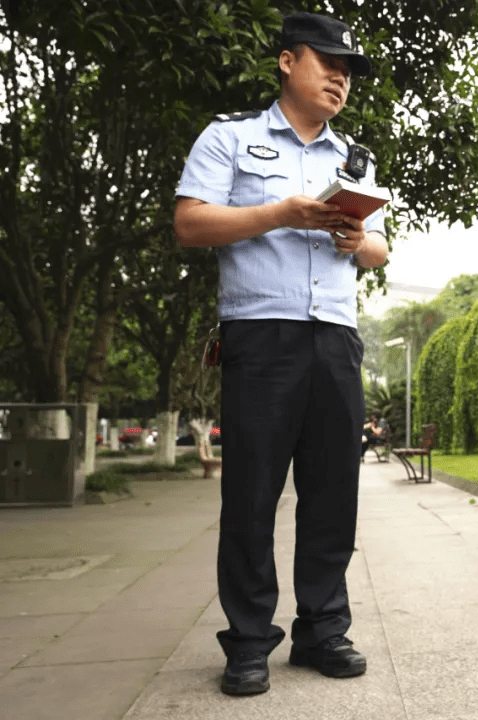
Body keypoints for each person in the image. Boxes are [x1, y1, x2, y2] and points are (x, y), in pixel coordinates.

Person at [174, 12, 389, 697]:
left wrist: (358, 241)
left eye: (348, 69)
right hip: (259, 335)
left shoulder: (354, 158)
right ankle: (247, 642)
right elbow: (190, 221)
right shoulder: (230, 137)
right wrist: (279, 213)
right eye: (327, 61)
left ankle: (322, 629)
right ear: (287, 62)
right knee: (251, 494)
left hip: (335, 337)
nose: (339, 77)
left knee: (333, 491)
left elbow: (382, 247)